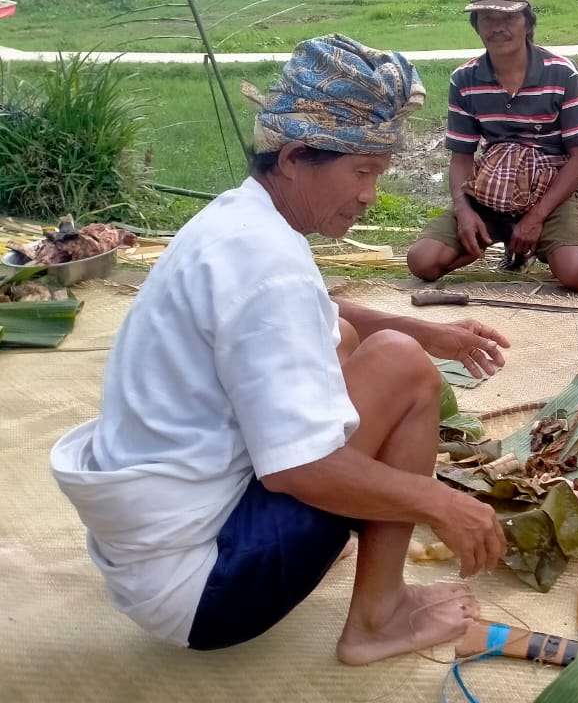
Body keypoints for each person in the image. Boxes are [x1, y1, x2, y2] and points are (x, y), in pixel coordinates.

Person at [50, 35, 510, 663]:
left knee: (356, 340)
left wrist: (432, 330)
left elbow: (305, 313)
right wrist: (444, 503)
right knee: (402, 368)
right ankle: (377, 617)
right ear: (295, 157)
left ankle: (331, 547)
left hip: (155, 562)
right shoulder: (267, 260)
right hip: (208, 590)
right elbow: (298, 470)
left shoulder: (239, 219)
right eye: (362, 172)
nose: (370, 194)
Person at [407, 0, 578, 292]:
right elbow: (461, 157)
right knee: (423, 262)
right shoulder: (464, 79)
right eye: (487, 19)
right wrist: (464, 211)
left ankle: (538, 242)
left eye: (509, 18)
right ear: (476, 26)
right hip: (490, 193)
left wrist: (536, 217)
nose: (498, 27)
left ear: (527, 22)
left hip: (552, 196)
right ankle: (487, 240)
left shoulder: (562, 74)